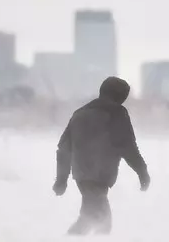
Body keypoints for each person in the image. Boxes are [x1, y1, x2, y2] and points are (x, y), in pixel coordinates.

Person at [52, 76, 151, 235]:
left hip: (82, 176)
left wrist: (61, 180)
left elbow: (64, 148)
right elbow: (127, 145)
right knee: (102, 222)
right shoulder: (117, 112)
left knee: (88, 219)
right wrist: (142, 171)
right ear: (120, 95)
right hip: (99, 175)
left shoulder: (79, 113)